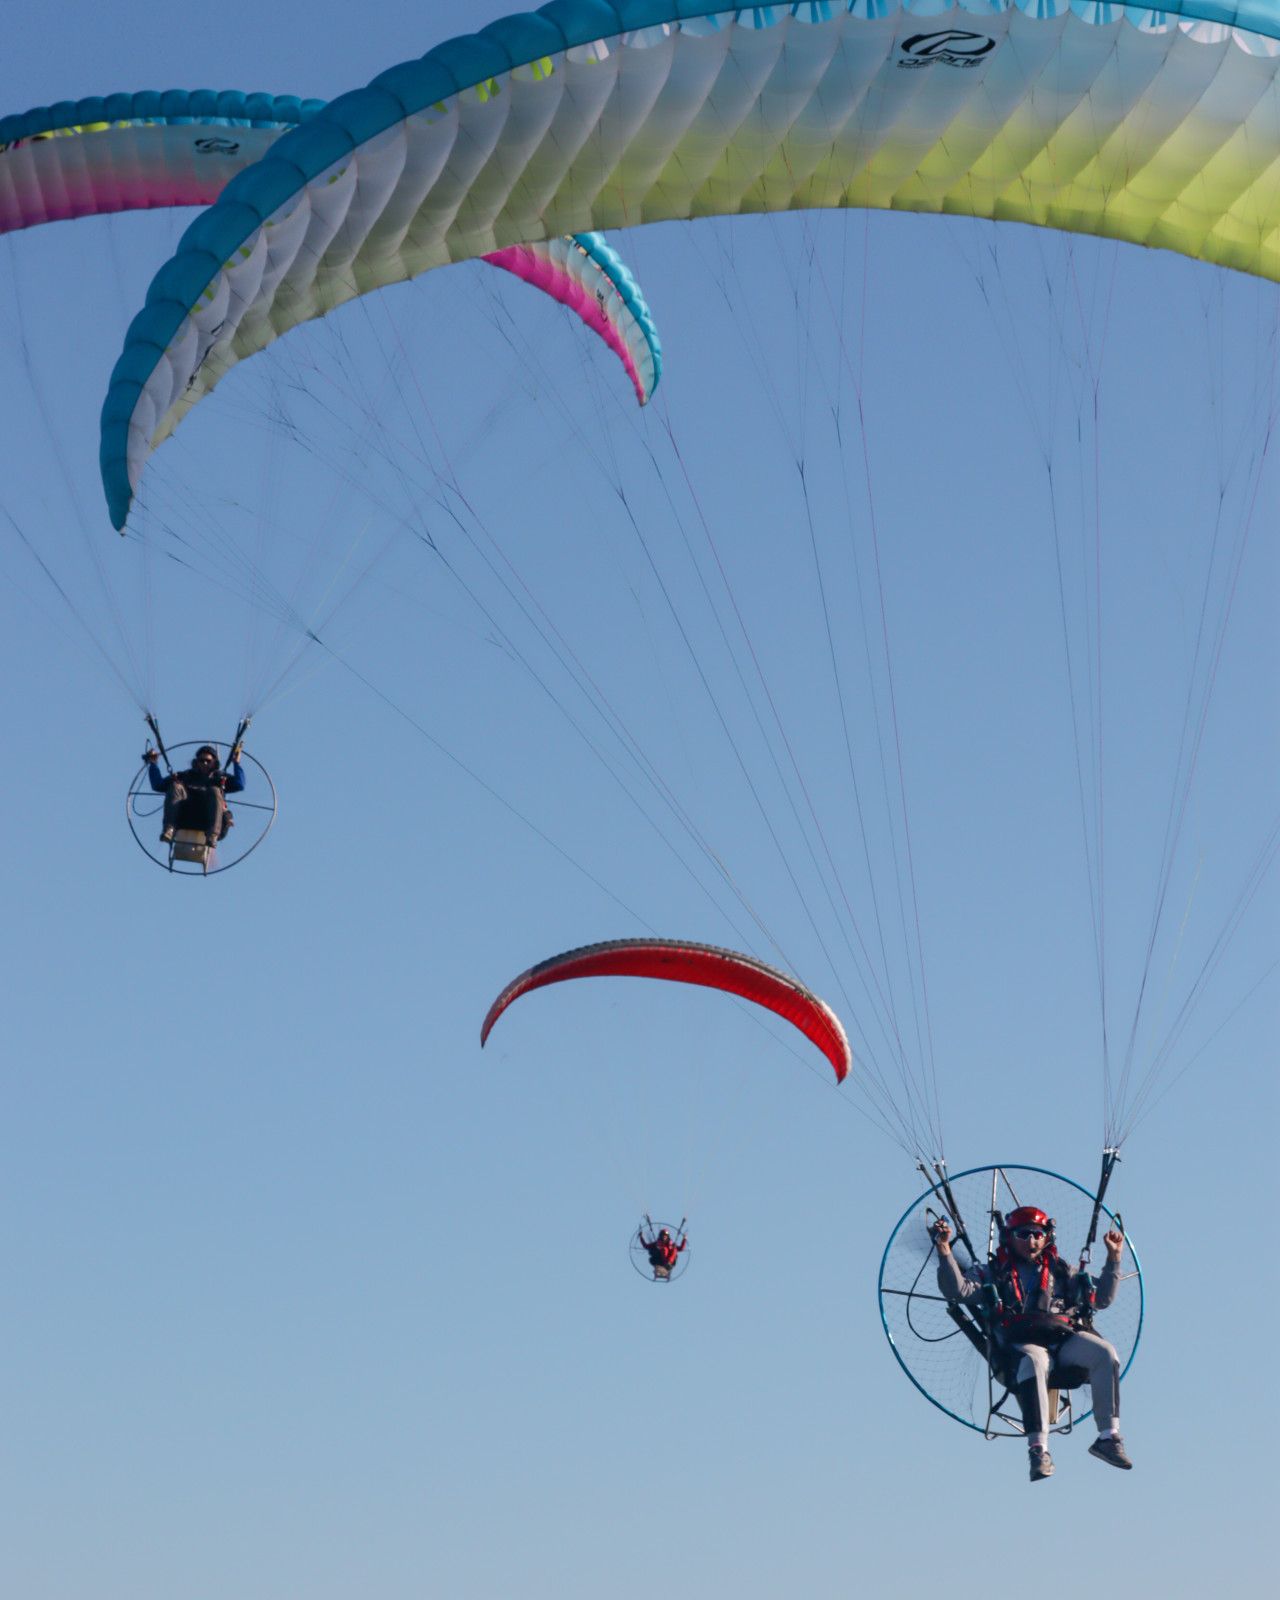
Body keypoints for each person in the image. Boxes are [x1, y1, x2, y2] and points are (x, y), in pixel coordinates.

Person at [933, 1206, 1131, 1482]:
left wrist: (1114, 1258)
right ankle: (1039, 1450)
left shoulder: (1062, 1271)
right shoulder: (992, 1272)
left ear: (1047, 1236)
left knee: (1105, 1352)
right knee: (1035, 1360)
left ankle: (1108, 1438)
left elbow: (1101, 1300)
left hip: (1063, 1341)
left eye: (1038, 1234)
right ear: (1010, 1237)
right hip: (1019, 1347)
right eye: (1023, 1234)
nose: (1032, 1241)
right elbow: (958, 1290)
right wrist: (944, 1251)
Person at [145, 744, 244, 848]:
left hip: (209, 821)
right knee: (175, 786)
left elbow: (240, 784)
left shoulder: (220, 778)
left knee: (214, 790)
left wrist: (236, 763)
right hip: (185, 818)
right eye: (202, 760)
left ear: (214, 763)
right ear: (196, 762)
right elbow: (157, 785)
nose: (205, 763)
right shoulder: (184, 776)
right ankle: (169, 829)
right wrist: (153, 764)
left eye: (208, 761)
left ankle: (212, 835)